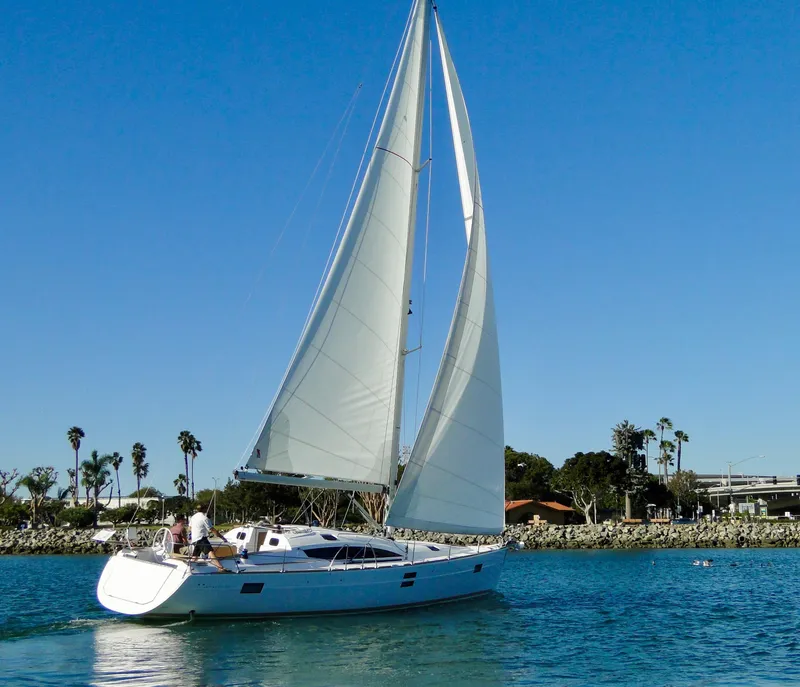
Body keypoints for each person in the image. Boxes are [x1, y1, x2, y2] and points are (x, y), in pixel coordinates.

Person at [189, 504, 229, 572]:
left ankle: (189, 566)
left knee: (195, 556)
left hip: (195, 539)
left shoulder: (193, 517)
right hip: (201, 538)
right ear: (204, 509)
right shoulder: (205, 518)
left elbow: (190, 528)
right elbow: (213, 530)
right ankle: (220, 568)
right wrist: (223, 538)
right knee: (210, 552)